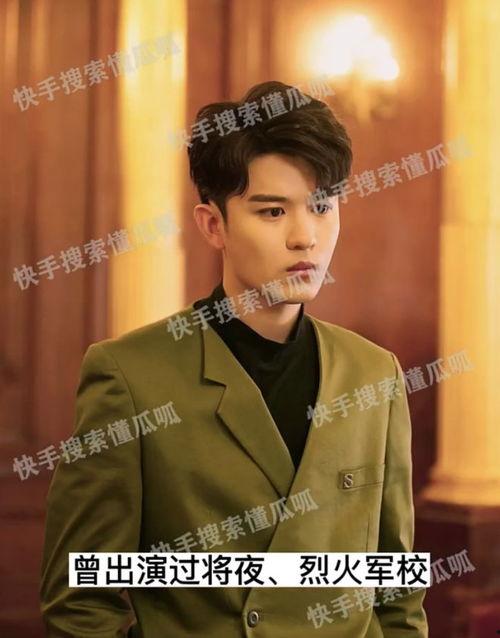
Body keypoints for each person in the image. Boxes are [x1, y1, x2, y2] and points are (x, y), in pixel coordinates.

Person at [40, 80, 428, 637]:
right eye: (272, 212)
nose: (305, 237)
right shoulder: (130, 376)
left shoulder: (374, 372)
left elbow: (397, 593)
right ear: (213, 225)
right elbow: (79, 600)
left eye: (322, 207)